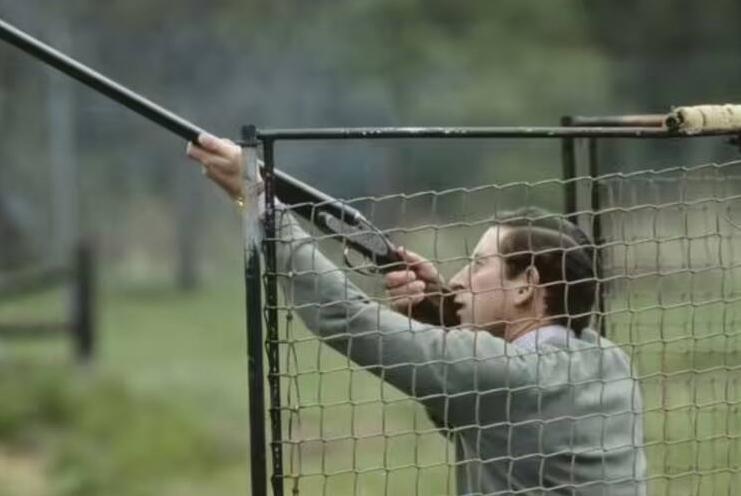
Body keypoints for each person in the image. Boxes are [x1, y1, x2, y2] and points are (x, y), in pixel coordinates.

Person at [187, 133, 647, 495]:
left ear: (527, 285)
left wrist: (257, 201)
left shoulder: (505, 376)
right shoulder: (610, 362)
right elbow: (481, 422)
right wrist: (440, 314)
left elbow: (345, 318)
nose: (459, 279)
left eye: (478, 265)